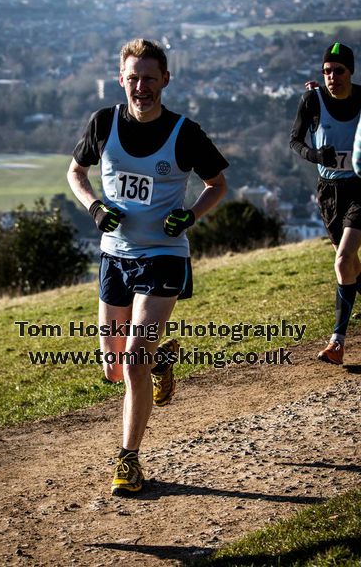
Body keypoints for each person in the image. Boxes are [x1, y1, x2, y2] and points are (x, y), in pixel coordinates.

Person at [68, 38, 228, 495]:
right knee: (112, 368)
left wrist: (192, 214)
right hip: (114, 255)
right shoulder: (104, 123)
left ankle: (128, 459)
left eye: (149, 79)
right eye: (133, 78)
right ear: (122, 79)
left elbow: (217, 184)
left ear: (165, 81)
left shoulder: (185, 132)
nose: (141, 87)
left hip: (164, 255)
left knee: (134, 357)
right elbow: (74, 172)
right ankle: (161, 362)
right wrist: (95, 207)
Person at [290, 42, 361, 365]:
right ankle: (339, 341)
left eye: (338, 70)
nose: (332, 76)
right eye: (327, 71)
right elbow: (295, 141)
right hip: (329, 191)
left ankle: (337, 341)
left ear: (351, 71)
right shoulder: (312, 100)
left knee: (344, 259)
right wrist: (316, 155)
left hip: (360, 188)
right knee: (348, 265)